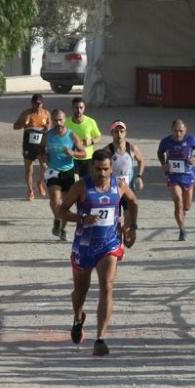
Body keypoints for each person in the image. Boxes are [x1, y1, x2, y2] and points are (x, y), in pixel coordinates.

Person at [57, 149, 138, 357]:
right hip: (84, 245)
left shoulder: (118, 186)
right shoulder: (81, 187)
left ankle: (100, 338)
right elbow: (61, 210)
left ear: (111, 169)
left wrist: (130, 226)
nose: (102, 174)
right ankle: (77, 318)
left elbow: (133, 202)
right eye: (98, 169)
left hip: (109, 244)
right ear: (92, 168)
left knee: (107, 287)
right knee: (80, 292)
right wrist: (81, 219)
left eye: (105, 169)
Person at [157, 119, 195, 241]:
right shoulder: (166, 141)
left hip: (188, 175)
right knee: (178, 202)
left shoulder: (190, 140)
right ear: (171, 130)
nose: (178, 133)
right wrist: (163, 163)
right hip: (173, 176)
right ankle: (182, 230)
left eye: (181, 131)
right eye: (176, 131)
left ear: (185, 130)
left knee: (187, 206)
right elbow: (160, 152)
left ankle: (183, 211)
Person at [40, 109, 85, 242]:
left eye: (60, 120)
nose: (58, 123)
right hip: (53, 170)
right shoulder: (47, 135)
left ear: (65, 120)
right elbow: (41, 151)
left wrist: (73, 153)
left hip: (68, 171)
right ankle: (58, 218)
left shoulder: (71, 135)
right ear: (51, 121)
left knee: (66, 204)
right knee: (55, 200)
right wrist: (42, 160)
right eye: (55, 120)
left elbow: (83, 153)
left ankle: (62, 228)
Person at [12, 94, 50, 200]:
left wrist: (47, 127)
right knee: (29, 170)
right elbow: (15, 126)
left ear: (42, 103)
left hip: (41, 145)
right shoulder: (26, 113)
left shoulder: (46, 113)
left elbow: (50, 128)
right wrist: (24, 124)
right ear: (32, 103)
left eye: (40, 103)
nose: (38, 105)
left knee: (45, 166)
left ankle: (39, 183)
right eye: (36, 103)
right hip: (29, 146)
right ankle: (30, 191)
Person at [66, 97, 101, 178]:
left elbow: (98, 137)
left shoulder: (90, 122)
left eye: (81, 108)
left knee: (85, 183)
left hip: (87, 158)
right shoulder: (66, 122)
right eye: (76, 107)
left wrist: (91, 141)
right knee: (73, 181)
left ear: (84, 108)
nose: (78, 110)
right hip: (71, 157)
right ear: (72, 107)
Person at [105, 120, 144, 193]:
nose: (119, 134)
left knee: (132, 204)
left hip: (129, 188)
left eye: (121, 131)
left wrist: (139, 176)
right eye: (116, 131)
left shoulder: (132, 148)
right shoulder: (107, 150)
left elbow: (141, 160)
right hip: (113, 188)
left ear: (125, 133)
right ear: (112, 133)